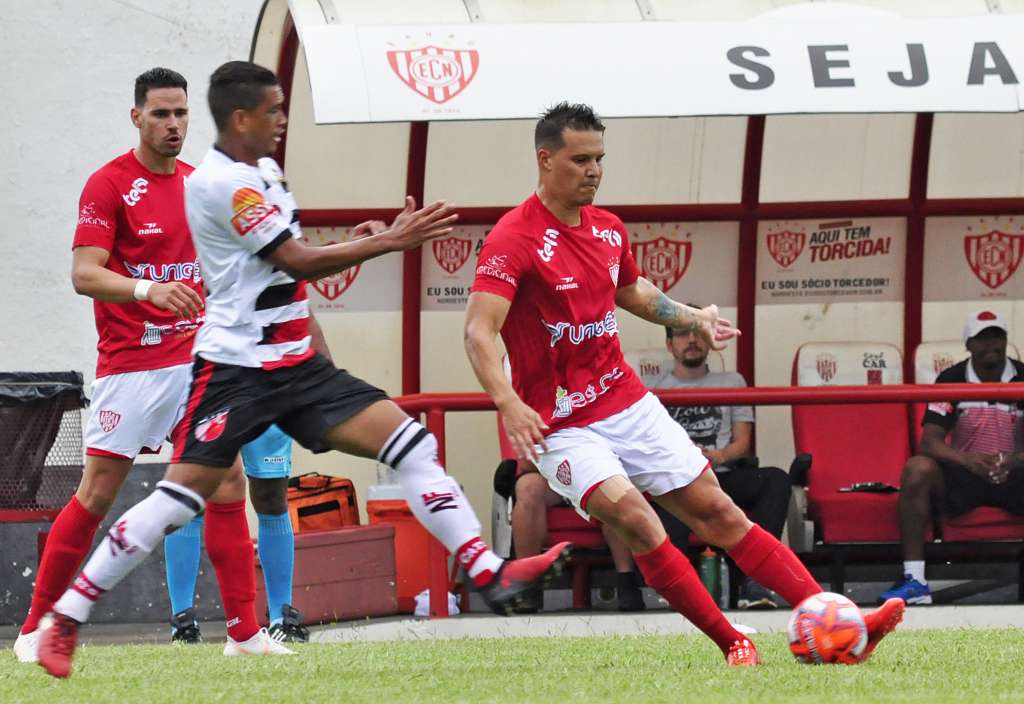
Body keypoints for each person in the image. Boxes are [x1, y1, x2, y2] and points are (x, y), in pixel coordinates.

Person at [36, 61, 568, 679]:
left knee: (411, 443)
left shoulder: (263, 171)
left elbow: (284, 257)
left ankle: (488, 573)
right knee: (178, 500)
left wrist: (362, 240)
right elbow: (294, 258)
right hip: (236, 371)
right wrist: (388, 244)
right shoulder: (221, 183)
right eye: (273, 109)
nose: (284, 119)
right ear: (241, 118)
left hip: (296, 363)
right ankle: (65, 619)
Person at [463, 102, 904, 666]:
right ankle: (734, 643)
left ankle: (839, 621)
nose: (594, 170)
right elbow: (479, 332)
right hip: (564, 425)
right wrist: (509, 403)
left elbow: (636, 293)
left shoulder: (607, 229)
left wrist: (691, 316)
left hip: (625, 403)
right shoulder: (512, 239)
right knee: (637, 518)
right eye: (580, 160)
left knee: (720, 516)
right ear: (545, 160)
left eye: (599, 158)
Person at [14, 67, 259, 662]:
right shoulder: (108, 185)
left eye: (180, 115)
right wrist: (148, 292)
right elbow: (84, 274)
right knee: (98, 493)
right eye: (161, 115)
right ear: (137, 118)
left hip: (194, 361)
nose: (173, 125)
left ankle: (246, 635)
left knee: (229, 480)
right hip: (130, 366)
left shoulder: (202, 186)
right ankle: (33, 629)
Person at [881, 310, 1024, 605]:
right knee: (917, 468)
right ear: (968, 344)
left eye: (996, 337)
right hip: (966, 477)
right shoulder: (951, 378)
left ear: (1006, 341)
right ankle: (915, 580)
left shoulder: (1023, 376)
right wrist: (968, 460)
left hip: (1014, 474)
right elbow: (930, 442)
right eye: (982, 339)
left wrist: (1015, 458)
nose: (990, 345)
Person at [647, 323, 792, 610]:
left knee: (775, 479)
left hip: (722, 473)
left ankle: (755, 581)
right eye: (682, 334)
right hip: (682, 479)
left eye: (698, 333)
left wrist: (717, 456)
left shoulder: (732, 381)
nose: (692, 340)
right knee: (666, 495)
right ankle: (680, 591)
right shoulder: (654, 390)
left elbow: (743, 443)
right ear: (669, 345)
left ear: (711, 341)